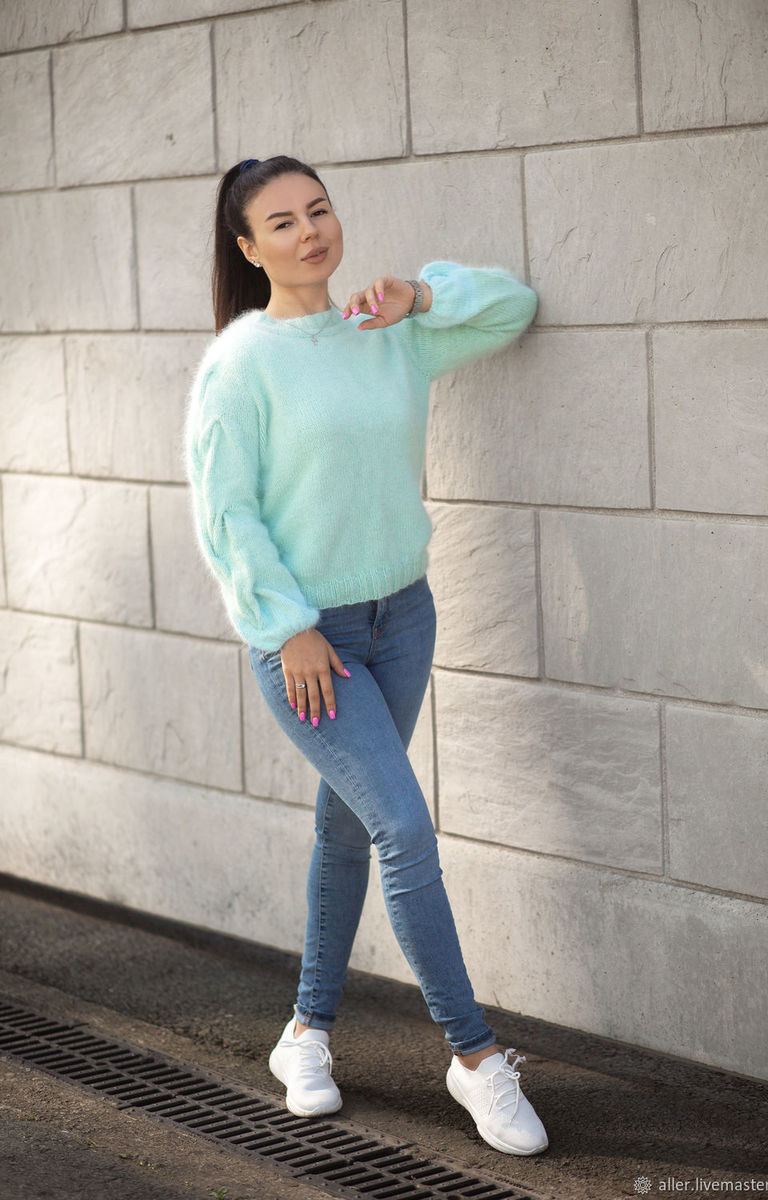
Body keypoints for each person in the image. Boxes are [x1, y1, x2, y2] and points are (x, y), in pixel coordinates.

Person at [184, 154, 547, 1157]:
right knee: (403, 828)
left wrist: (420, 295)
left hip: (405, 618)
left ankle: (306, 1032)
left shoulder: (384, 332)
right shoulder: (241, 362)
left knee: (346, 831)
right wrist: (286, 625)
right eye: (283, 222)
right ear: (249, 247)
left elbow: (512, 309)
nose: (310, 232)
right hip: (312, 643)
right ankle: (474, 1056)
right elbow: (226, 513)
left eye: (320, 210)